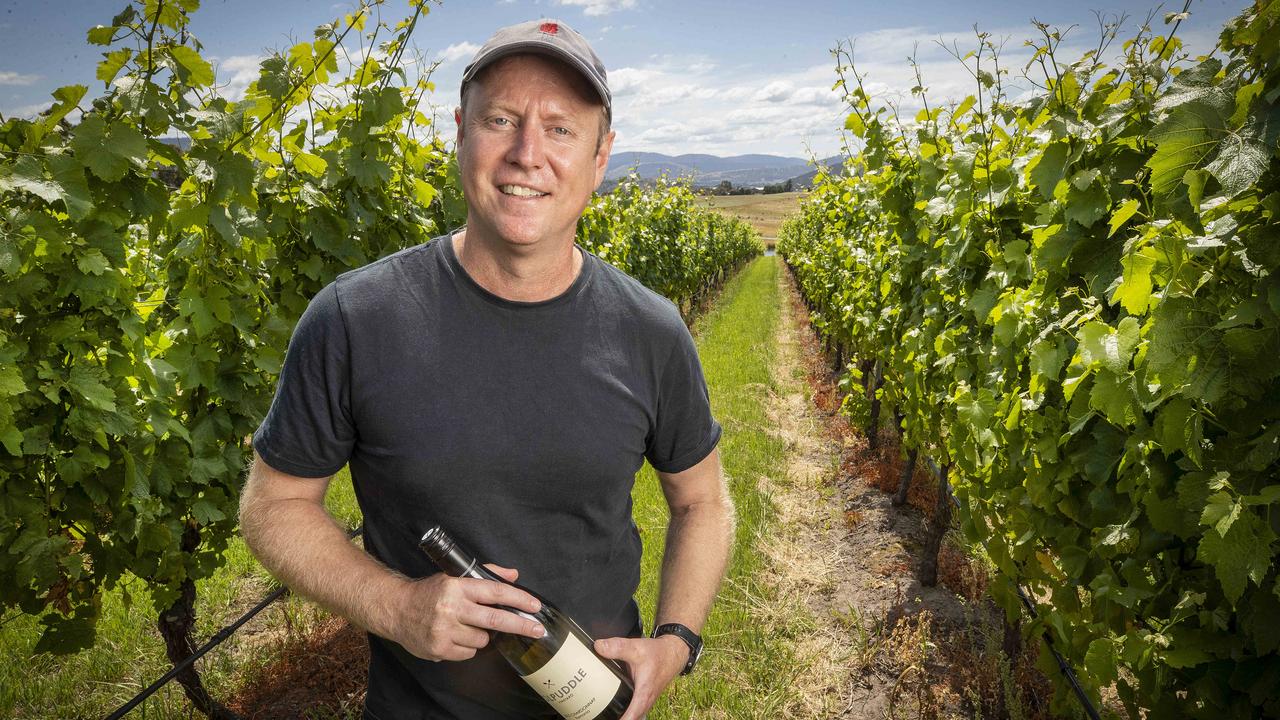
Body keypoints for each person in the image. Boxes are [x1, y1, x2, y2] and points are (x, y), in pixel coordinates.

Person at [239, 18, 735, 720]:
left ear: (601, 157)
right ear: (461, 133)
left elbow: (702, 502)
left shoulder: (650, 330)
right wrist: (398, 605)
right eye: (501, 120)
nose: (528, 154)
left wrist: (677, 641)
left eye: (561, 129)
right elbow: (273, 506)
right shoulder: (355, 318)